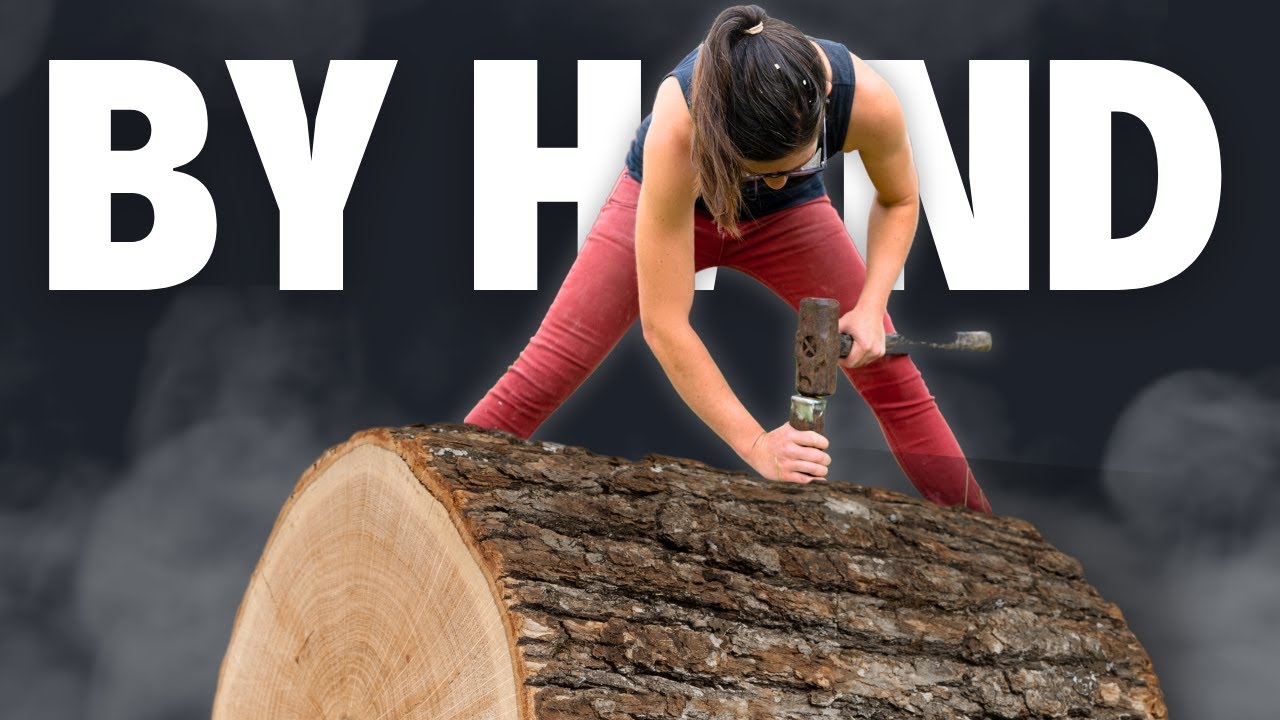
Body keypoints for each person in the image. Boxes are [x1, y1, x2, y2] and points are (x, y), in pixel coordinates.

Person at [466, 4, 992, 513]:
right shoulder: (679, 126)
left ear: (824, 95)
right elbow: (666, 326)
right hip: (674, 207)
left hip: (790, 217)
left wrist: (873, 305)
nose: (779, 179)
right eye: (760, 170)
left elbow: (898, 199)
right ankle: (422, 497)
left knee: (894, 379)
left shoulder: (866, 99)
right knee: (546, 370)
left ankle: (993, 554)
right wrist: (758, 446)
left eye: (802, 161)